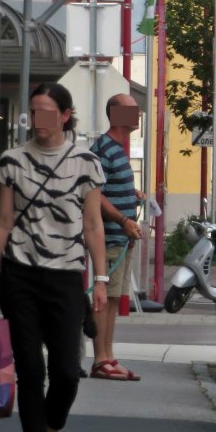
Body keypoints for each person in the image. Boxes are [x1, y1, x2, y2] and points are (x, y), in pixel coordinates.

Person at [0, 82, 107, 432]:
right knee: (31, 371)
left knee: (67, 371)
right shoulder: (12, 160)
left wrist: (101, 278)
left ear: (66, 116)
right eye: (34, 111)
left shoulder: (86, 161)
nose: (39, 120)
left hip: (67, 277)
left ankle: (53, 430)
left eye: (47, 112)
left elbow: (92, 225)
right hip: (20, 275)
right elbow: (2, 221)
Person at [88, 93, 144, 381]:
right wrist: (123, 219)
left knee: (112, 301)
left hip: (122, 237)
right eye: (132, 110)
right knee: (104, 298)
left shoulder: (118, 148)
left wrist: (131, 194)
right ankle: (100, 359)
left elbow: (108, 188)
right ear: (116, 114)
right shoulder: (103, 149)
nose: (137, 114)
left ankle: (108, 356)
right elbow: (95, 196)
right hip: (110, 237)